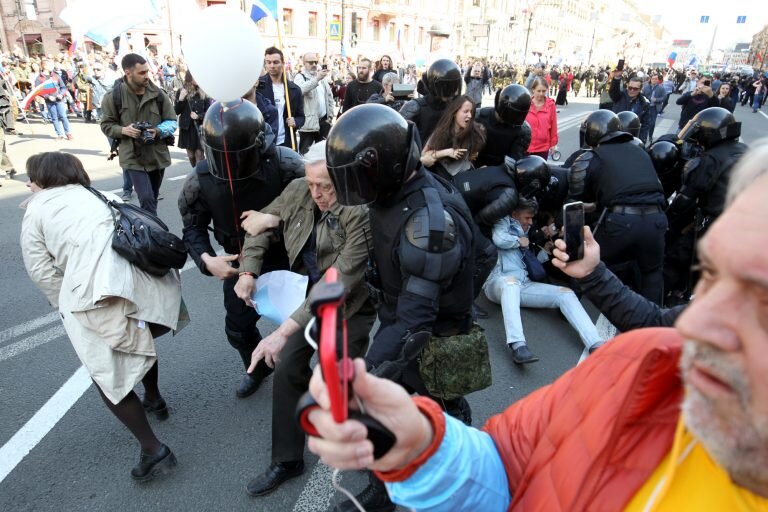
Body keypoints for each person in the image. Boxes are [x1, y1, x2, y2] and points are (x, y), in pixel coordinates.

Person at [303, 140, 768, 512]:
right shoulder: (629, 364)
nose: (697, 324)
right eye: (709, 275)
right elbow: (506, 467)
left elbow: (420, 310)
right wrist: (424, 449)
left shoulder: (432, 217)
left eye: (763, 302)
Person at [325, 103, 477, 511]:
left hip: (431, 330)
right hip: (400, 313)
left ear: (386, 166)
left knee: (428, 411)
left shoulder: (428, 224)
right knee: (398, 408)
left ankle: (442, 482)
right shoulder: (396, 191)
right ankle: (389, 486)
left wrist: (363, 376)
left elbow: (416, 323)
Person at [21, 152, 185, 482]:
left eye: (31, 179)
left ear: (40, 179)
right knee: (138, 336)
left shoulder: (36, 209)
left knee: (105, 374)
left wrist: (66, 306)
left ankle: (154, 450)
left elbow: (41, 271)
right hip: (141, 286)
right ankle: (154, 398)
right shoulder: (101, 194)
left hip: (97, 295)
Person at [230, 141, 376, 497]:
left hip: (348, 305)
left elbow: (338, 281)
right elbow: (258, 227)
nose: (318, 194)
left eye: (326, 186)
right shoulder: (299, 190)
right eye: (312, 184)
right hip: (303, 301)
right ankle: (288, 459)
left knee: (341, 377)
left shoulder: (359, 210)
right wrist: (248, 270)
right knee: (288, 367)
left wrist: (281, 332)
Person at [178, 98, 304, 399]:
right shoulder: (200, 178)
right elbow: (192, 228)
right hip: (236, 260)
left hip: (287, 254)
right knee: (237, 329)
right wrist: (208, 260)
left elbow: (315, 205)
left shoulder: (285, 164)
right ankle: (258, 368)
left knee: (305, 324)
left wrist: (277, 217)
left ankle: (304, 377)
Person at [484, 199, 603, 363]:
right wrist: (519, 240)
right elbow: (499, 239)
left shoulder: (528, 231)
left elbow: (538, 251)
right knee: (510, 283)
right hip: (497, 283)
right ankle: (518, 346)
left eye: (532, 218)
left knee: (565, 293)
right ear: (514, 214)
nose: (530, 222)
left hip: (523, 285)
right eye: (527, 218)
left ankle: (596, 343)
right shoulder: (503, 222)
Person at [568, 110, 667, 305]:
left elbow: (574, 205)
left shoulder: (592, 157)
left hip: (621, 222)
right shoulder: (640, 151)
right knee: (652, 272)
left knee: (585, 262)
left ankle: (568, 305)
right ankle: (653, 325)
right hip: (656, 220)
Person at [665, 107, 747, 302]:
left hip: (716, 226)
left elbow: (684, 201)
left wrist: (665, 222)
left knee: (674, 258)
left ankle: (666, 302)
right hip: (747, 225)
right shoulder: (744, 151)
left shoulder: (709, 160)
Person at [100, 53, 177, 215]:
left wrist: (158, 130)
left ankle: (148, 228)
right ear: (128, 73)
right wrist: (123, 130)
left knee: (152, 200)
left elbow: (172, 121)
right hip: (132, 156)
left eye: (147, 72)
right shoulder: (114, 97)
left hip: (157, 154)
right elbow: (106, 125)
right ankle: (152, 235)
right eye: (141, 73)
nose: (146, 76)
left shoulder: (158, 94)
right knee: (147, 200)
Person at [419, 95, 486, 179]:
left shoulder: (475, 131)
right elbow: (424, 157)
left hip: (468, 175)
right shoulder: (441, 133)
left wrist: (475, 151)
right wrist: (447, 152)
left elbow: (475, 152)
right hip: (449, 179)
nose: (469, 115)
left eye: (471, 112)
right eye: (466, 111)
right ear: (455, 112)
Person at [400, 59, 462, 144]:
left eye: (453, 87)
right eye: (447, 87)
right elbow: (397, 129)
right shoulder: (416, 106)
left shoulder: (453, 106)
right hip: (421, 155)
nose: (451, 92)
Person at [474, 84, 533, 167]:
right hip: (473, 168)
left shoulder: (523, 130)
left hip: (501, 173)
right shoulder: (478, 116)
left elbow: (514, 159)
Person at [258, 47, 305, 150]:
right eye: (268, 62)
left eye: (275, 62)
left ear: (283, 63)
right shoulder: (258, 87)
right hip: (265, 143)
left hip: (287, 142)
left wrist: (295, 121)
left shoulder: (294, 89)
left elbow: (301, 117)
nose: (272, 66)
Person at [293, 52, 334, 155]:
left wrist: (330, 115)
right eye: (311, 62)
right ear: (304, 63)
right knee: (305, 155)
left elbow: (329, 96)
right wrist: (316, 79)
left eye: (316, 62)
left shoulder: (322, 77)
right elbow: (300, 90)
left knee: (323, 155)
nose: (314, 65)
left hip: (324, 122)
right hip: (308, 125)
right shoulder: (300, 77)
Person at [174, 71, 211, 168]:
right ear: (190, 78)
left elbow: (209, 111)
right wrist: (181, 99)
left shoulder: (204, 92)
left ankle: (199, 177)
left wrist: (198, 116)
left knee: (199, 155)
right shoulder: (181, 91)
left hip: (199, 128)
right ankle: (195, 173)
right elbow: (177, 111)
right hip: (187, 128)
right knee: (191, 156)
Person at [609, 70, 651, 143]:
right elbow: (613, 91)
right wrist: (617, 77)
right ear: (627, 86)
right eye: (630, 87)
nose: (632, 90)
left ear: (640, 89)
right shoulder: (619, 97)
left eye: (635, 89)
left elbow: (645, 125)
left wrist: (641, 141)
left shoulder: (644, 103)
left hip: (631, 139)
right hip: (615, 136)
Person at [34, 66, 72, 140]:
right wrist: (47, 97)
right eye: (49, 64)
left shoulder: (55, 75)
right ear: (44, 66)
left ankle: (68, 133)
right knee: (54, 118)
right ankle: (60, 134)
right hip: (49, 101)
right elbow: (38, 90)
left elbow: (63, 87)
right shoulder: (39, 78)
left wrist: (61, 94)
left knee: (63, 116)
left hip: (59, 99)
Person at [525, 77, 557, 160]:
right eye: (538, 91)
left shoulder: (551, 105)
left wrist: (553, 143)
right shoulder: (526, 103)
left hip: (542, 148)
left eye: (544, 91)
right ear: (533, 90)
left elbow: (553, 125)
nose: (541, 94)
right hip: (526, 147)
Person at [642, 73, 665, 142]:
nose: (654, 80)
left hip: (654, 108)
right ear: (650, 79)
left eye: (656, 79)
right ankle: (644, 136)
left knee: (652, 123)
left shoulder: (661, 88)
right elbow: (642, 95)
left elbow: (664, 97)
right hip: (646, 107)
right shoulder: (646, 87)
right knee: (645, 123)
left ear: (658, 80)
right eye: (653, 79)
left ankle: (650, 136)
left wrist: (657, 100)